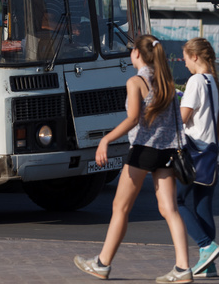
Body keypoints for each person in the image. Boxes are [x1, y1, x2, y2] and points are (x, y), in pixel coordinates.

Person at [75, 35, 192, 283]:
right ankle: (183, 268)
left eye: (131, 50)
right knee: (170, 210)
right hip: (168, 151)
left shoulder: (136, 81)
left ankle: (102, 264)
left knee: (120, 207)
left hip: (143, 150)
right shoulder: (167, 81)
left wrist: (105, 140)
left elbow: (133, 119)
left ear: (137, 54)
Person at [178, 37, 219, 278]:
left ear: (195, 57)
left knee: (174, 202)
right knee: (203, 208)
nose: (184, 63)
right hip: (213, 157)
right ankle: (210, 265)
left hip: (194, 155)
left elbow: (183, 118)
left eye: (185, 57)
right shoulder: (218, 84)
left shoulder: (196, 81)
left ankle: (206, 246)